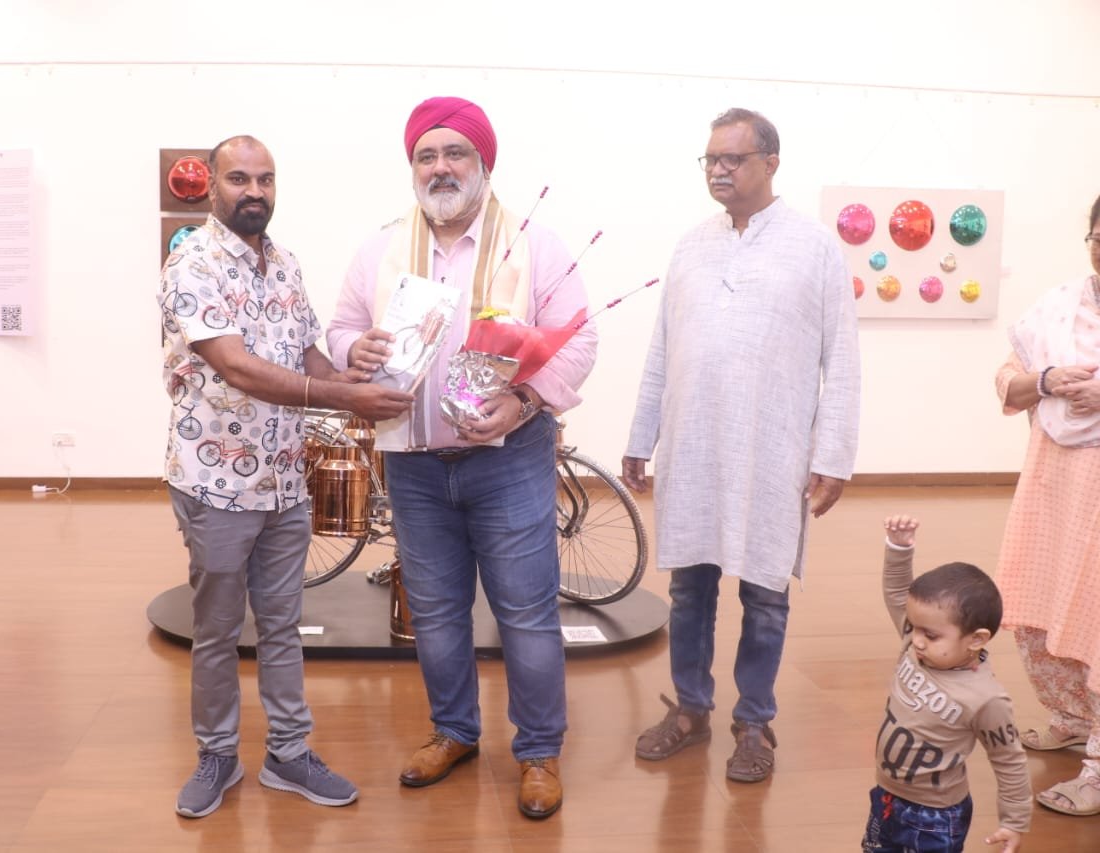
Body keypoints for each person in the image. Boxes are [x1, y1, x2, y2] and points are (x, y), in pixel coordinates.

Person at [327, 96, 597, 819]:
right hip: (413, 462)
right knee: (437, 611)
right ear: (412, 167)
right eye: (427, 155)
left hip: (509, 458)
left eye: (456, 154)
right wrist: (354, 347)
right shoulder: (381, 250)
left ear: (483, 164)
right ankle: (453, 731)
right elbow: (341, 326)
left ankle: (538, 751)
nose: (440, 168)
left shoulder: (534, 245)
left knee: (526, 612)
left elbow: (578, 338)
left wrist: (526, 400)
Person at [159, 135, 412, 819]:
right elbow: (237, 367)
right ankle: (217, 753)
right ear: (213, 186)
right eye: (239, 178)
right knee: (217, 629)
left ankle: (288, 753)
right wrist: (341, 398)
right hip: (216, 484)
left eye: (265, 179)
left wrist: (357, 374)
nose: (255, 192)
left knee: (283, 625)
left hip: (284, 482)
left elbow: (307, 357)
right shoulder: (192, 264)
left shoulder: (287, 264)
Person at [621, 107, 860, 783]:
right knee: (689, 589)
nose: (719, 170)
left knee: (766, 593)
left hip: (771, 450)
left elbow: (842, 359)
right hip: (693, 444)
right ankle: (691, 708)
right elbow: (662, 348)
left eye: (733, 159)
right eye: (711, 159)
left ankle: (754, 721)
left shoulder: (815, 248)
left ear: (771, 163)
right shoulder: (691, 245)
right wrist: (642, 434)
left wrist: (833, 456)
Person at [993, 193, 1100, 817]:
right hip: (1051, 483)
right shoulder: (1058, 307)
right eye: (1099, 238)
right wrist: (1046, 380)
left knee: (1093, 617)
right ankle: (1074, 718)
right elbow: (1008, 379)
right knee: (1038, 604)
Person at [864, 515, 1030, 853]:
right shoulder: (914, 645)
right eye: (914, 627)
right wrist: (899, 548)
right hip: (887, 796)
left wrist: (1014, 821)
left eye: (931, 634)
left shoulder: (986, 699)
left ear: (976, 639)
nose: (917, 639)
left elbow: (1009, 761)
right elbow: (897, 593)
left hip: (935, 816)